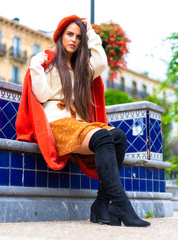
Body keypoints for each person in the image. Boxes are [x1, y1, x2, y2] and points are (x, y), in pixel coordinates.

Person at [16, 15, 150, 227]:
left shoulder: (81, 70)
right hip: (57, 126)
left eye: (78, 37)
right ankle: (121, 203)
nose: (74, 40)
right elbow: (40, 96)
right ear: (60, 36)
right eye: (70, 34)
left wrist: (91, 32)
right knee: (104, 136)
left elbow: (101, 62)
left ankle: (103, 203)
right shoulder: (48, 63)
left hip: (79, 127)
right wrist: (36, 65)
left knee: (118, 136)